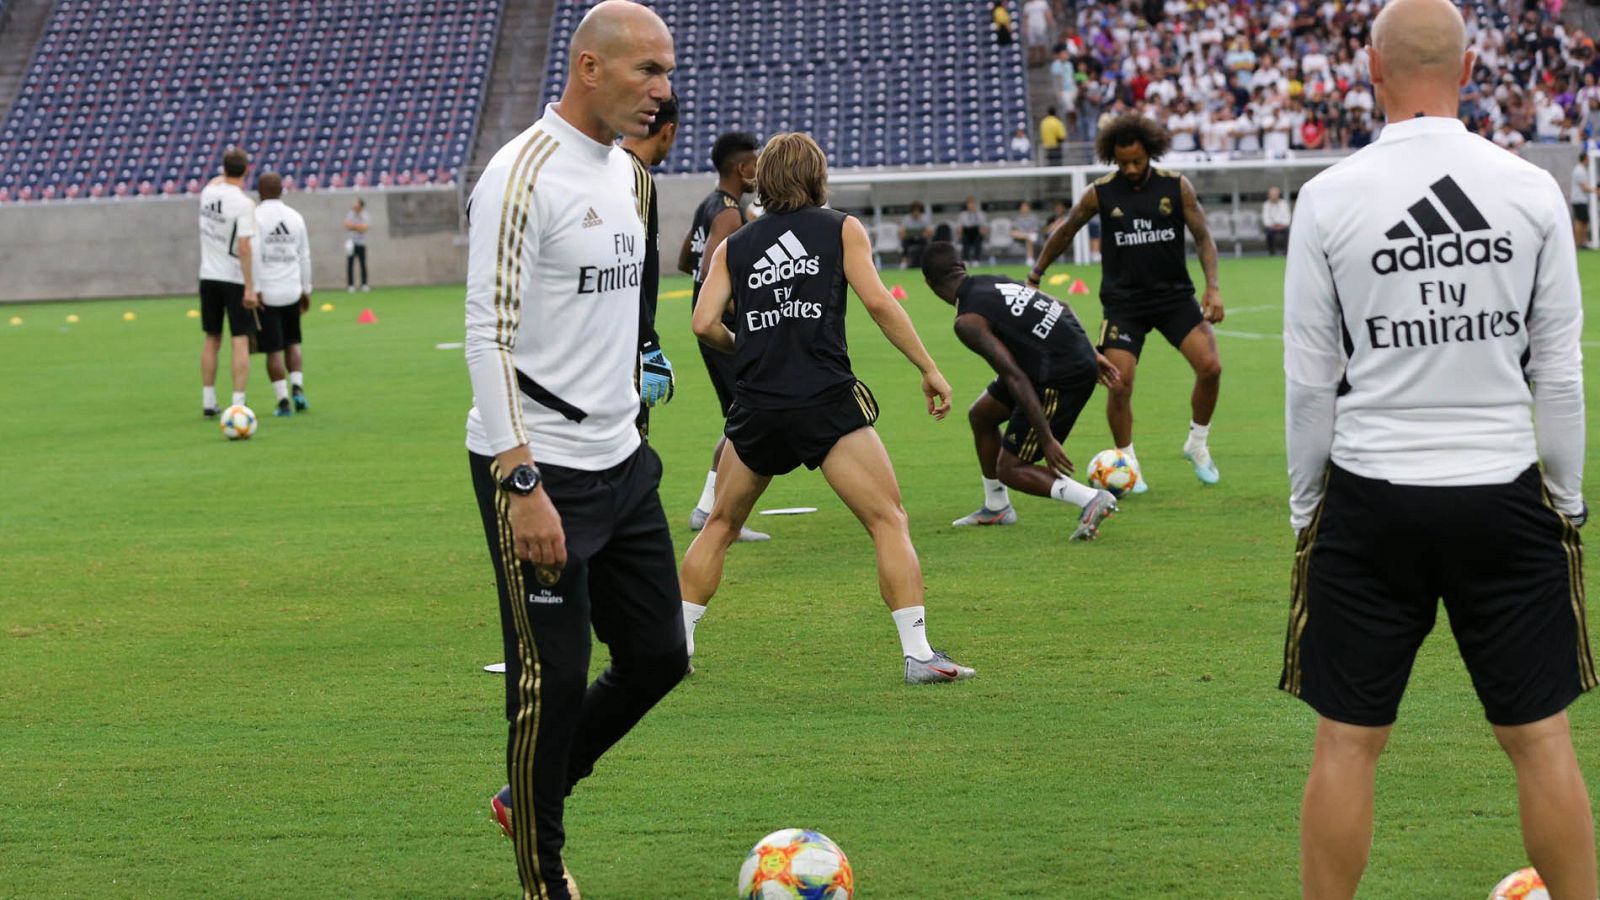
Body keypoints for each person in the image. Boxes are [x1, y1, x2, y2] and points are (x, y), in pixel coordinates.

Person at [1282, 0, 1595, 895]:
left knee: (1347, 740)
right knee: (1539, 738)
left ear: (1370, 70)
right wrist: (1565, 500)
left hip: (1371, 492)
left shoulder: (1330, 196)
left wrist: (1309, 507)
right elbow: (1560, 374)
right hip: (1504, 490)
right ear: (1467, 72)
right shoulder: (1531, 189)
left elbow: (1311, 381)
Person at [463, 4, 684, 898]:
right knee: (547, 686)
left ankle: (534, 793)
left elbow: (623, 318)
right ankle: (542, 876)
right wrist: (521, 481)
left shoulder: (632, 177)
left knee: (660, 657)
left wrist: (637, 418)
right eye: (647, 72)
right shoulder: (522, 176)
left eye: (668, 71)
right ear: (590, 67)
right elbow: (488, 336)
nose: (663, 91)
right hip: (538, 469)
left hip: (622, 461)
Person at [679, 132, 975, 685]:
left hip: (758, 404)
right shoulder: (839, 228)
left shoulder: (735, 245)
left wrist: (746, 346)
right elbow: (879, 302)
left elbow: (701, 323)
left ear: (762, 179)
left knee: (719, 524)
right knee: (888, 520)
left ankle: (676, 646)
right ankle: (918, 654)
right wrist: (928, 368)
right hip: (824, 402)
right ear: (818, 177)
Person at [1028, 114, 1225, 493]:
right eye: (1123, 163)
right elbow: (1067, 230)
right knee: (1118, 384)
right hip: (1124, 305)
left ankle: (1197, 444)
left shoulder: (1176, 187)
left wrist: (1212, 287)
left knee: (1211, 367)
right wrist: (1036, 275)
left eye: (1137, 161)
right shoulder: (1101, 192)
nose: (1131, 169)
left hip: (1174, 298)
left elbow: (1202, 236)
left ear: (1150, 152)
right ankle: (1126, 459)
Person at [921, 241, 1121, 537]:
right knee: (981, 415)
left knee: (1011, 468)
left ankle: (1091, 499)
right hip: (1058, 358)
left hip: (1059, 373)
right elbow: (1062, 306)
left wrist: (1047, 439)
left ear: (929, 283)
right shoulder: (988, 281)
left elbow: (1014, 376)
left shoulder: (967, 321)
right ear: (962, 267)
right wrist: (1090, 352)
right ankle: (996, 506)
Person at [678, 131, 769, 542]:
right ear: (741, 168)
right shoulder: (729, 214)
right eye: (754, 162)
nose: (757, 169)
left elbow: (686, 260)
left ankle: (709, 509)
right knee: (752, 419)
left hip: (708, 325)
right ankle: (719, 516)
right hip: (724, 329)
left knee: (740, 419)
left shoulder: (707, 205)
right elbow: (723, 270)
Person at [621, 92, 681, 439]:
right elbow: (632, 269)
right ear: (667, 131)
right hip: (624, 350)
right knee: (631, 449)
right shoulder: (635, 178)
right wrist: (648, 346)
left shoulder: (610, 166)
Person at [197, 147, 259, 417]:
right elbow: (245, 247)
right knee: (240, 339)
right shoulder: (244, 204)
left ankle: (208, 400)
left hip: (208, 275)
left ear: (223, 168)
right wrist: (249, 286)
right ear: (247, 170)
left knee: (212, 338)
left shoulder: (208, 192)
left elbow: (215, 180)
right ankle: (238, 402)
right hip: (232, 277)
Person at [251, 172, 312, 417]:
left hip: (268, 293)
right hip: (292, 290)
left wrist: (254, 289)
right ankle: (298, 387)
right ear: (281, 191)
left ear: (260, 192)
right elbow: (304, 255)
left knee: (273, 350)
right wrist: (306, 288)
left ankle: (283, 401)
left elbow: (253, 255)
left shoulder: (255, 218)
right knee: (293, 343)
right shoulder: (295, 217)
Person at [343, 198, 369, 292]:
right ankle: (350, 285)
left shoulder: (365, 215)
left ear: (360, 205)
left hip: (361, 243)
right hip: (351, 243)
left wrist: (353, 227)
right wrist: (357, 227)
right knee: (350, 264)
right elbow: (346, 225)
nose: (354, 205)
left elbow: (364, 228)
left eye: (356, 203)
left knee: (362, 264)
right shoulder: (350, 214)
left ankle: (364, 284)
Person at [900, 201, 933, 268]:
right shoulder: (906, 219)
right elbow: (902, 233)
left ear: (920, 211)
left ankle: (926, 261)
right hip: (910, 239)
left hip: (921, 239)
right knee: (904, 243)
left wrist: (925, 234)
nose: (916, 213)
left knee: (925, 243)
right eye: (914, 211)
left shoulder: (925, 219)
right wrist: (906, 234)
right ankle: (904, 262)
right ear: (911, 211)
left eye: (917, 211)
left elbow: (930, 232)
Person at [1571, 151, 1594, 249]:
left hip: (1581, 200)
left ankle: (1582, 242)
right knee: (1580, 221)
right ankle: (1579, 243)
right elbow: (1584, 187)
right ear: (1585, 159)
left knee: (1583, 221)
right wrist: (1596, 191)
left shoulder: (1582, 170)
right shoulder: (1579, 170)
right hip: (1579, 200)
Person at [1262, 185, 1292, 256]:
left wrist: (1281, 225)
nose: (1273, 196)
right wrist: (1273, 225)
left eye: (1275, 195)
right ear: (1269, 195)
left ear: (1278, 195)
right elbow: (1265, 219)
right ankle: (1271, 252)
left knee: (1287, 232)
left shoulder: (1284, 204)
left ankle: (1286, 252)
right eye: (1272, 195)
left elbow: (1287, 218)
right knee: (1268, 232)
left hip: (1283, 227)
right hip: (1271, 227)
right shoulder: (1266, 204)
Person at [1010, 200, 1042, 266]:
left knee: (1029, 238)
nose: (1024, 208)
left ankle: (1030, 259)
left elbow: (1035, 230)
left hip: (1035, 237)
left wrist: (1026, 234)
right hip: (1021, 237)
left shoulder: (1034, 217)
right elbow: (1015, 230)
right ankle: (1027, 236)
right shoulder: (1017, 218)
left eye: (1025, 207)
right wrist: (1026, 234)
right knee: (1014, 233)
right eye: (1023, 207)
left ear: (1029, 208)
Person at [957, 196, 988, 264]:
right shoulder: (963, 215)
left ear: (975, 205)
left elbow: (984, 226)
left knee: (978, 236)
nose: (971, 205)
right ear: (967, 205)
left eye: (972, 204)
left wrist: (983, 231)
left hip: (977, 233)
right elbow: (960, 226)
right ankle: (966, 259)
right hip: (967, 233)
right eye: (969, 204)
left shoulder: (980, 214)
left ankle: (976, 260)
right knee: (965, 237)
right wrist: (960, 232)